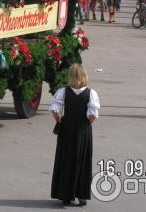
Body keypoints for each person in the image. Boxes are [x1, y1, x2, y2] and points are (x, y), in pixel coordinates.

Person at [50, 64, 100, 207]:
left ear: (70, 76)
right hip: (83, 129)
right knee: (83, 161)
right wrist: (86, 124)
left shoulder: (63, 92)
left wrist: (60, 121)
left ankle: (66, 195)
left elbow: (55, 109)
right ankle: (82, 195)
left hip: (67, 129)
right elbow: (92, 115)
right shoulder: (91, 93)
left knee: (65, 160)